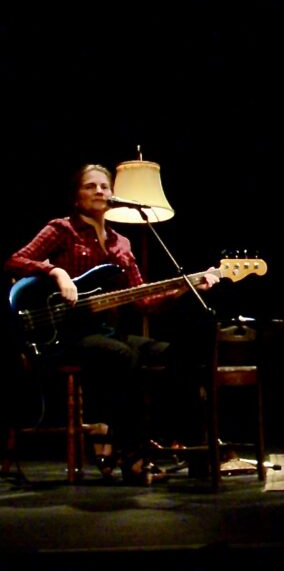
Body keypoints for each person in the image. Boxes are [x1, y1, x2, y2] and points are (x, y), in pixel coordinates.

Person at [4, 163, 220, 484]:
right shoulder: (62, 229)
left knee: (176, 354)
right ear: (76, 198)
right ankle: (132, 458)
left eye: (104, 186)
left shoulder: (122, 243)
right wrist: (56, 273)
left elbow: (143, 301)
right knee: (121, 355)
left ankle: (195, 452)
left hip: (104, 332)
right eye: (90, 186)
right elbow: (15, 261)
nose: (99, 191)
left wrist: (185, 288)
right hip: (63, 336)